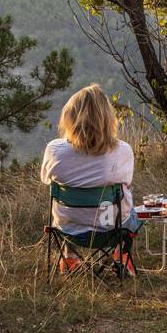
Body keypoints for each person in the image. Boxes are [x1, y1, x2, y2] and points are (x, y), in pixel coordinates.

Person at [40, 84, 139, 276]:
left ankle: (69, 258)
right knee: (128, 205)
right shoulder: (122, 150)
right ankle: (120, 254)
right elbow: (127, 183)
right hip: (110, 229)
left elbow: (46, 179)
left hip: (67, 228)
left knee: (67, 208)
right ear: (108, 119)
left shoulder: (54, 149)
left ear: (69, 117)